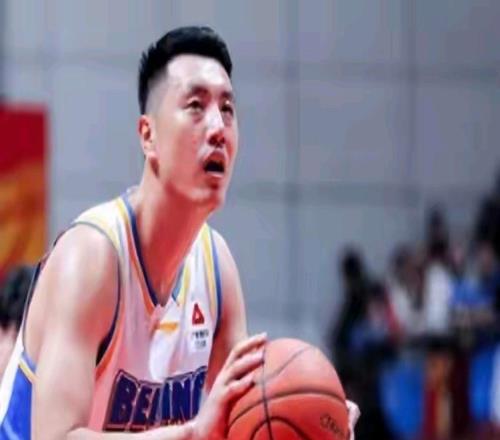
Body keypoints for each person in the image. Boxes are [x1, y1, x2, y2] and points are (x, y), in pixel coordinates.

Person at [0, 27, 357, 439]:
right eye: (196, 106)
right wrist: (191, 435)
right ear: (148, 135)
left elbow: (243, 418)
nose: (218, 127)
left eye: (227, 109)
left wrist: (317, 420)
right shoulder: (91, 258)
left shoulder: (217, 268)